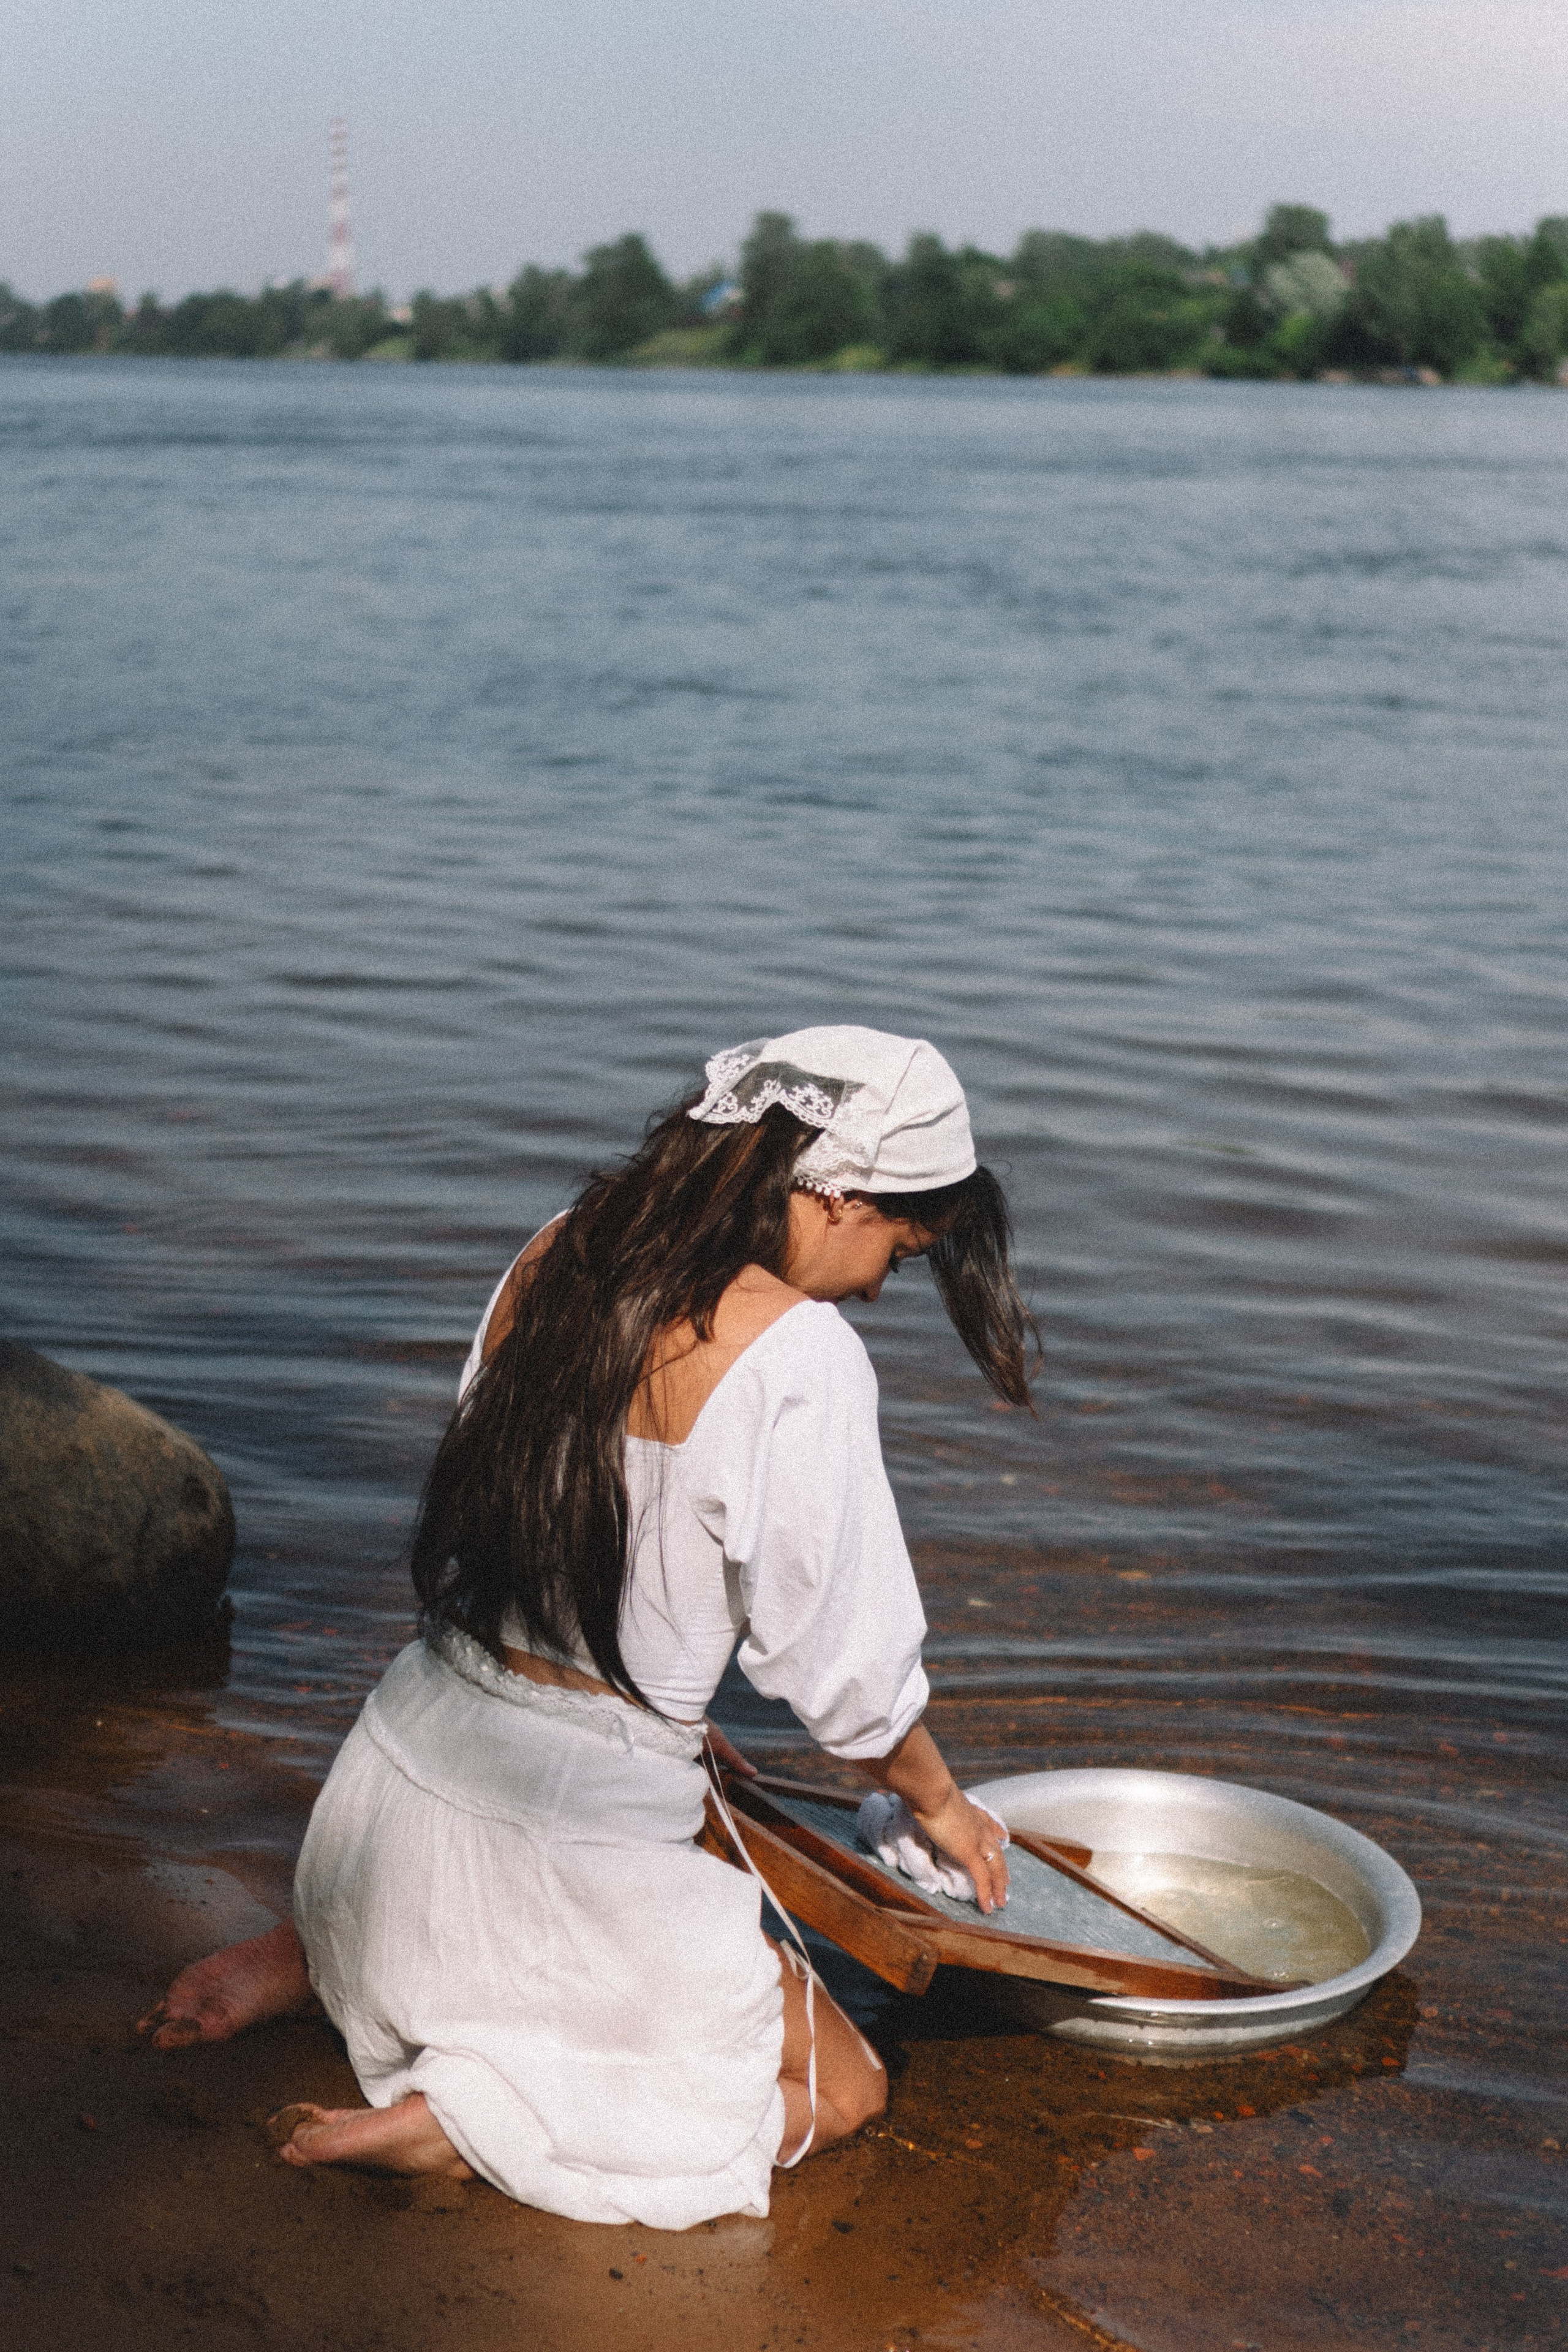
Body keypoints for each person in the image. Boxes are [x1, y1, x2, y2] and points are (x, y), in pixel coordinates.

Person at [140, 1025, 1034, 2227]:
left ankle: (317, 1958)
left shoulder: (558, 1249)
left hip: (384, 1798)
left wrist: (666, 1716)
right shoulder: (801, 1356)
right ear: (838, 1195)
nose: (878, 1286)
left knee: (593, 1871)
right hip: (552, 1855)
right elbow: (851, 1688)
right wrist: (942, 1807)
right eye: (898, 1250)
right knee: (843, 2089)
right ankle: (474, 2126)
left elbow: (531, 1527)